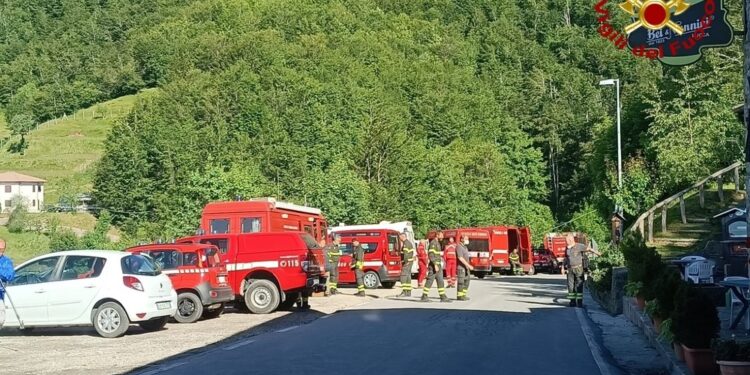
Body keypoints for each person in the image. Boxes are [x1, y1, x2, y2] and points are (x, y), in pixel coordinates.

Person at [563, 234, 600, 307]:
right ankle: (572, 302)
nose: (566, 242)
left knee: (579, 286)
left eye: (567, 240)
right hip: (570, 269)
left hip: (578, 268)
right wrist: (563, 267)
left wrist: (598, 253)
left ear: (571, 240)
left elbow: (589, 249)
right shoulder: (567, 248)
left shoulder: (579, 246)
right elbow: (566, 258)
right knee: (570, 286)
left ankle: (579, 303)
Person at [421, 231, 449, 303]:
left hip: (438, 266)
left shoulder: (438, 243)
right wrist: (435, 264)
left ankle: (442, 296)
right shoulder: (433, 243)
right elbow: (431, 255)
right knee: (430, 281)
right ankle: (424, 296)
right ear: (437, 235)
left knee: (440, 281)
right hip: (434, 266)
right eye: (441, 235)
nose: (443, 237)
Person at [0, 238, 15, 329]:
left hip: (0, 294)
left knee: (0, 319)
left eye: (2, 249)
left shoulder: (6, 262)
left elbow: (9, 276)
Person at [398, 232, 416, 297]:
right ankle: (408, 292)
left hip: (407, 262)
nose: (400, 239)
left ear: (403, 237)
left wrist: (405, 261)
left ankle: (404, 291)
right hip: (410, 262)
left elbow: (405, 254)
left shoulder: (406, 244)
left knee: (403, 276)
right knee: (408, 276)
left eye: (400, 238)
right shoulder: (409, 243)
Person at [456, 235, 474, 301]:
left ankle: (463, 295)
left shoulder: (465, 247)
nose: (467, 240)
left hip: (466, 267)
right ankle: (460, 296)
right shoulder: (459, 247)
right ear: (462, 239)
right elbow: (460, 258)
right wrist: (468, 265)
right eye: (466, 239)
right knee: (461, 282)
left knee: (467, 281)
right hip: (461, 268)